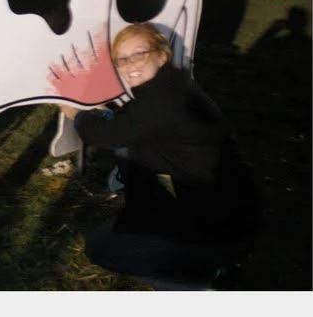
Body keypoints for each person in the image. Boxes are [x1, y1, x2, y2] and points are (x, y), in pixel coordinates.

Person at [66, 23, 259, 288]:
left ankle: (202, 280)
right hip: (223, 212)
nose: (130, 63)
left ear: (162, 54)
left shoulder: (160, 100)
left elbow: (106, 135)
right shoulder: (173, 86)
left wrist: (77, 114)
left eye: (139, 54)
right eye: (122, 59)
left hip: (217, 228)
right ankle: (203, 260)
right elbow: (131, 122)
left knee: (100, 248)